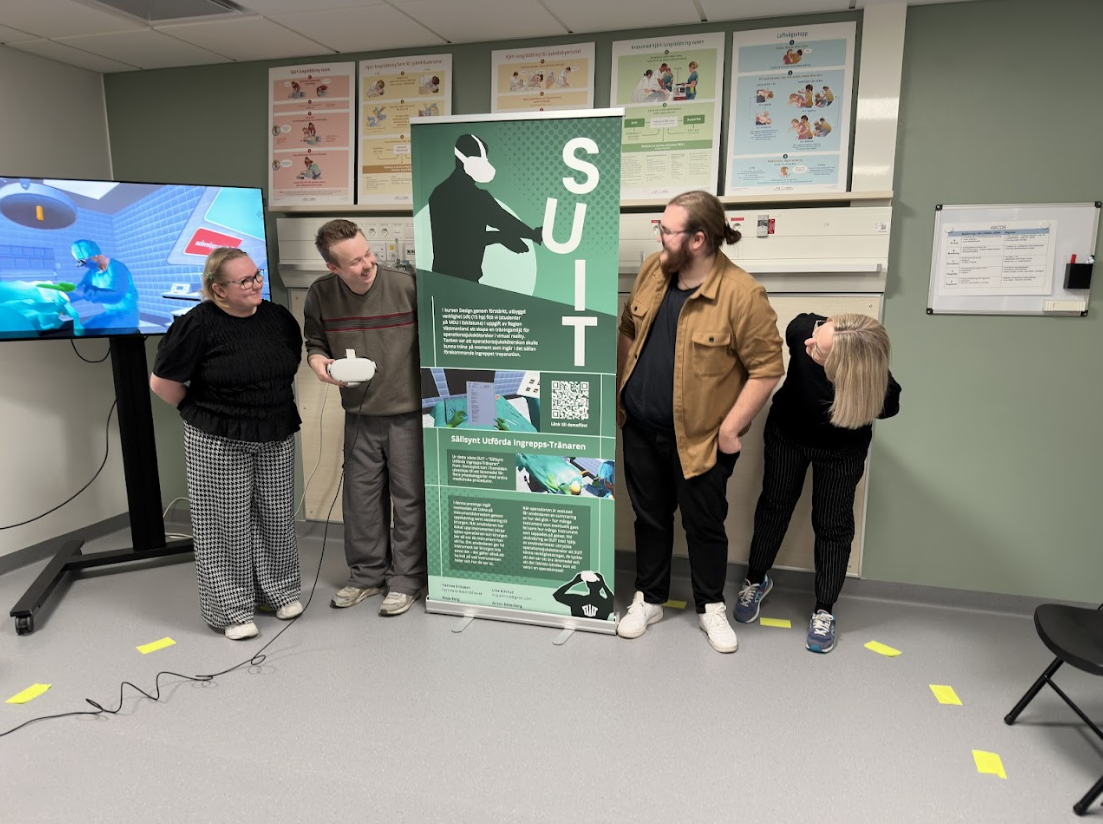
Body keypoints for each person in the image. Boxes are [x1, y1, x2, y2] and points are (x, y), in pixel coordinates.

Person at [616, 190, 784, 654]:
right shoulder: (653, 271)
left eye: (668, 232)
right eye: (661, 228)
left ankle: (711, 606)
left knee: (704, 525)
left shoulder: (742, 295)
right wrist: (622, 394)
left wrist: (730, 430)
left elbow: (768, 368)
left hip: (702, 439)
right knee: (649, 519)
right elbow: (628, 329)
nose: (660, 237)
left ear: (698, 240)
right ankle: (649, 599)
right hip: (641, 428)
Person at [150, 248, 303, 640]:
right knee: (224, 525)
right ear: (218, 289)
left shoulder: (277, 318)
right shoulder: (196, 325)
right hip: (219, 438)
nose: (256, 284)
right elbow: (162, 383)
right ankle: (231, 610)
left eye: (257, 275)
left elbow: (287, 364)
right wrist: (202, 411)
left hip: (274, 430)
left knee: (276, 517)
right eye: (245, 280)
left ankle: (278, 592)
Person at [735, 313, 901, 654]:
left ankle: (824, 609)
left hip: (841, 451)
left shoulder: (881, 390)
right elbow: (807, 334)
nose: (809, 343)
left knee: (832, 525)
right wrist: (821, 334)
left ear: (844, 368)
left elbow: (885, 406)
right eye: (816, 334)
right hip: (788, 435)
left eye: (818, 349)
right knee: (774, 505)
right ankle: (756, 579)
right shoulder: (802, 331)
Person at [304, 219, 426, 616]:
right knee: (361, 501)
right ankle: (366, 576)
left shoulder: (406, 286)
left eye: (368, 253)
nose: (368, 264)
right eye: (355, 262)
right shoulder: (321, 294)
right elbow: (315, 342)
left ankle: (406, 579)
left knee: (409, 499)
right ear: (333, 267)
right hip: (358, 415)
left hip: (408, 413)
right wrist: (318, 362)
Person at [427, 133, 543, 283]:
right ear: (461, 159)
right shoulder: (475, 197)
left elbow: (502, 221)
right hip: (463, 282)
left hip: (440, 280)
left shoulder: (438, 193)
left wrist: (529, 235)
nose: (484, 164)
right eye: (479, 159)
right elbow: (461, 239)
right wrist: (506, 236)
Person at [69, 239, 139, 333]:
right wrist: (60, 298)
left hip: (127, 317)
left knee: (88, 333)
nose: (83, 265)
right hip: (110, 314)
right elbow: (79, 290)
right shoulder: (93, 272)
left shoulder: (116, 267)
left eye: (83, 262)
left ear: (94, 256)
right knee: (80, 331)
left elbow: (116, 296)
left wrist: (85, 292)